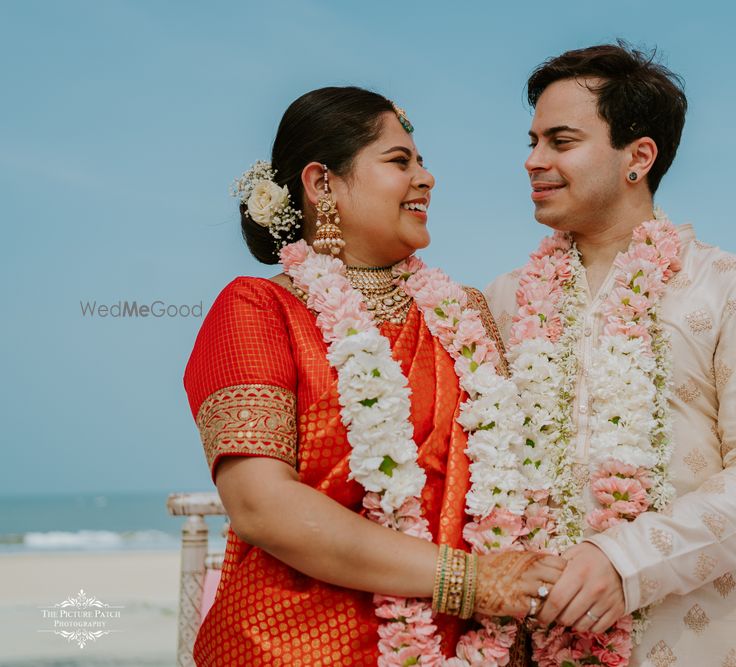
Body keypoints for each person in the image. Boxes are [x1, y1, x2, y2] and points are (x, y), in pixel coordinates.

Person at [183, 86, 564, 666]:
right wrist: (473, 581)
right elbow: (261, 505)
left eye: (422, 160)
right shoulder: (257, 310)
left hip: (462, 647)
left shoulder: (461, 312)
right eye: (399, 161)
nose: (426, 177)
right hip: (292, 645)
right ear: (321, 184)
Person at [486, 43, 736, 666]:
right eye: (532, 142)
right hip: (526, 639)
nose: (533, 161)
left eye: (560, 141)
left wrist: (625, 561)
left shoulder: (733, 288)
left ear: (639, 156)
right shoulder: (502, 302)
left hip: (683, 641)